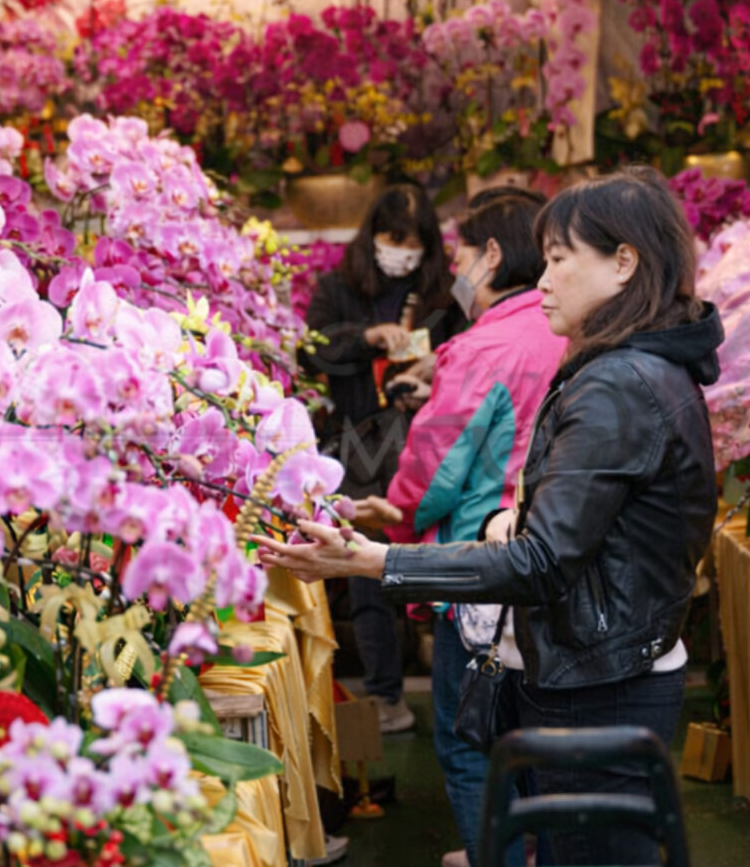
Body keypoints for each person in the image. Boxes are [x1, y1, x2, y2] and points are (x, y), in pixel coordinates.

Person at [257, 168, 723, 866]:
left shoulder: (620, 383)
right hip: (617, 657)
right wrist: (523, 514)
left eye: (562, 257)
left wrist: (374, 559)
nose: (544, 280)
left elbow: (543, 562)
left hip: (599, 676)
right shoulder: (642, 365)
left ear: (623, 262)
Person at [359, 188, 568, 867]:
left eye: (462, 255)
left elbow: (435, 467)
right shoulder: (565, 325)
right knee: (535, 730)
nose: (457, 270)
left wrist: (390, 516)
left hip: (482, 567)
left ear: (494, 255)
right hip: (554, 554)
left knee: (470, 734)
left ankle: (496, 855)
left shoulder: (485, 344)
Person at [302, 183, 464, 733]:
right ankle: (386, 697)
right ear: (373, 236)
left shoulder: (445, 294)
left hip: (432, 445)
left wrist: (434, 365)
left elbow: (470, 349)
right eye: (394, 239)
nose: (403, 251)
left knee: (441, 569)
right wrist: (366, 337)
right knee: (366, 574)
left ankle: (451, 693)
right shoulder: (339, 288)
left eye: (413, 242)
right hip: (358, 446)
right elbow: (313, 346)